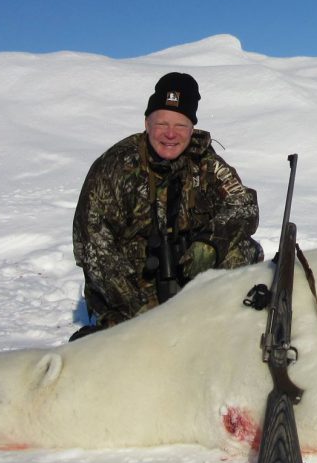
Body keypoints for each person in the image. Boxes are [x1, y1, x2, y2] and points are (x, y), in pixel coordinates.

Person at [71, 72, 263, 335]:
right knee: (145, 340)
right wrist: (140, 308)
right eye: (162, 124)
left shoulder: (204, 161)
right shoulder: (115, 166)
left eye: (181, 126)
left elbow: (243, 205)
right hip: (130, 284)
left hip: (186, 273)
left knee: (242, 248)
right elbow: (93, 246)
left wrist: (209, 243)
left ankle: (227, 325)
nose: (170, 134)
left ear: (192, 129)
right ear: (147, 124)